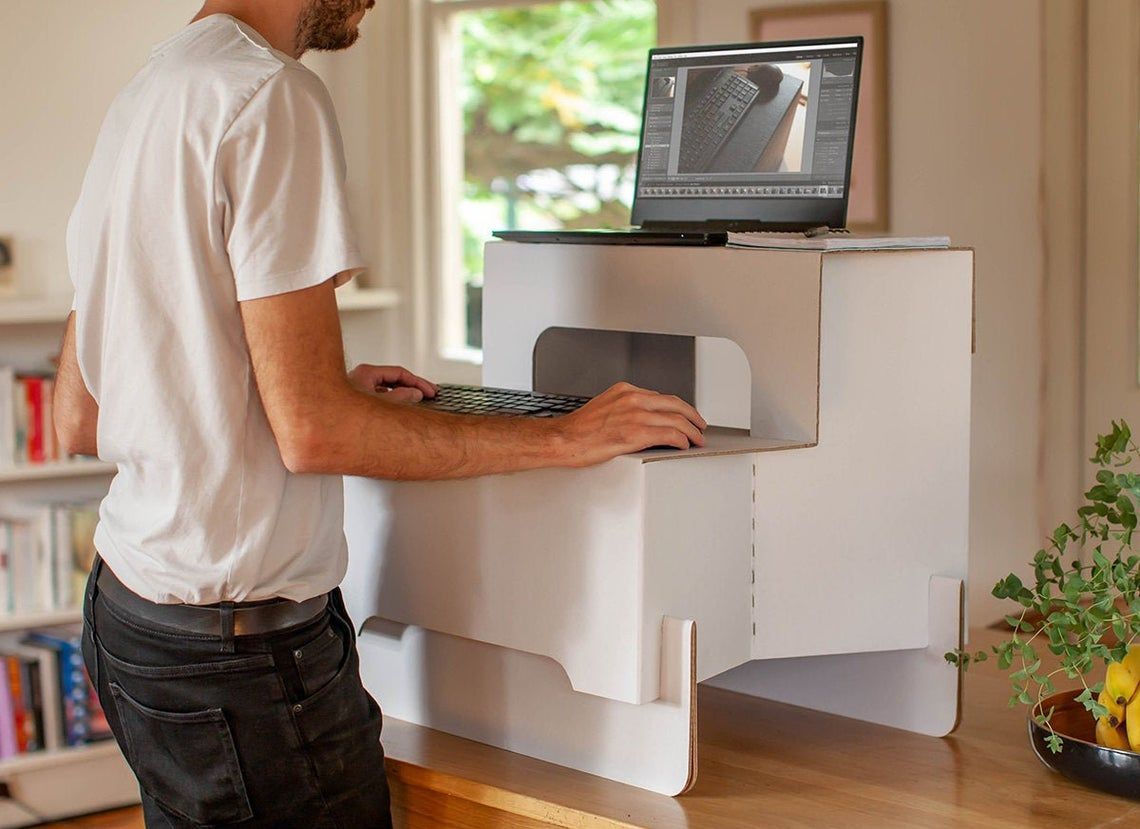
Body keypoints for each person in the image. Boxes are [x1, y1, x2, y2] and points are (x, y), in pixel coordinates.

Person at [54, 1, 708, 826]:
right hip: (239, 659)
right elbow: (316, 431)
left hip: (131, 621)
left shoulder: (146, 94)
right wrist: (565, 434)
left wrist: (296, 383)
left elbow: (80, 414)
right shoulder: (267, 96)